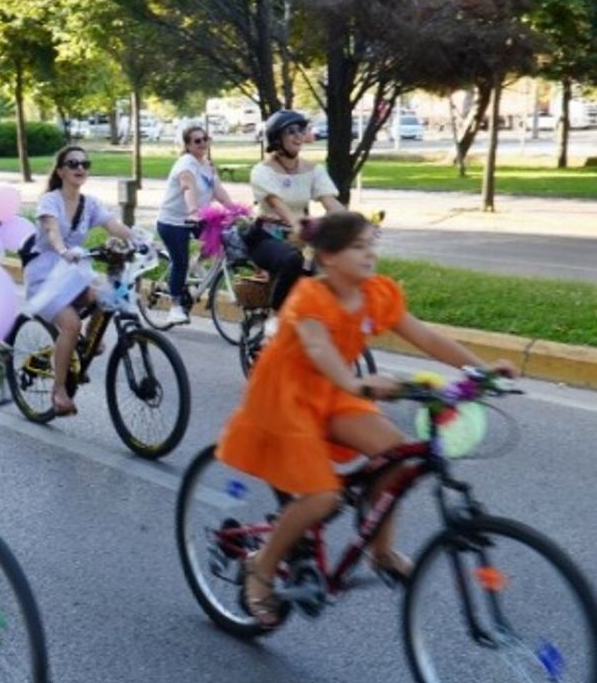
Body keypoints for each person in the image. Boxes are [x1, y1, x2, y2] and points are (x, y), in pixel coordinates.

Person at [216, 211, 519, 629]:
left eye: (371, 245)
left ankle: (382, 551)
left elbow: (427, 337)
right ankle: (261, 569)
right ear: (329, 257)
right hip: (285, 398)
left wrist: (481, 371)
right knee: (322, 496)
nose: (369, 254)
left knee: (395, 454)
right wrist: (356, 383)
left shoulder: (376, 293)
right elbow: (319, 348)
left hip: (334, 392)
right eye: (358, 247)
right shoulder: (309, 298)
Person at [23, 146, 134, 416]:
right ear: (61, 170)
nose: (80, 168)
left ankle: (86, 343)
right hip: (46, 275)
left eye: (85, 164)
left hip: (75, 271)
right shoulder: (50, 200)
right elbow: (51, 230)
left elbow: (114, 227)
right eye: (73, 163)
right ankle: (58, 391)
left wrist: (143, 240)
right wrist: (62, 251)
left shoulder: (91, 203)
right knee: (71, 325)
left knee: (111, 295)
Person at [247, 110, 345, 313]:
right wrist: (298, 224)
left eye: (301, 130)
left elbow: (331, 202)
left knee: (331, 269)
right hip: (267, 237)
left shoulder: (313, 170)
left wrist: (354, 223)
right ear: (276, 138)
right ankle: (276, 318)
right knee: (293, 261)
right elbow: (279, 206)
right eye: (291, 131)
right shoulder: (262, 171)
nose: (298, 135)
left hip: (301, 237)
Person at [157, 125, 242, 325]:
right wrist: (193, 211)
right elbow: (188, 185)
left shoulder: (207, 165)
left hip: (197, 219)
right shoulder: (186, 163)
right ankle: (175, 307)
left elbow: (218, 191)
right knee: (180, 262)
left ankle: (198, 265)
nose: (203, 143)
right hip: (173, 221)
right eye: (197, 141)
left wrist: (236, 211)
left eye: (205, 139)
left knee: (222, 237)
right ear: (187, 145)